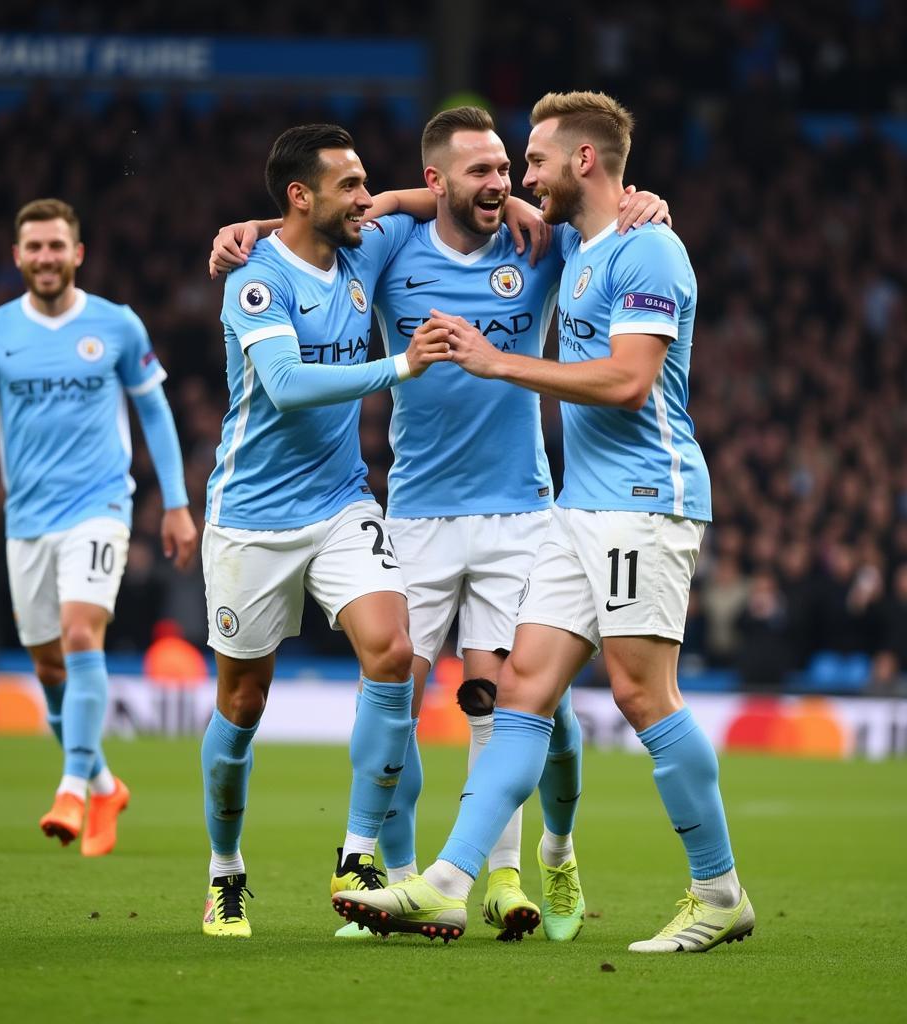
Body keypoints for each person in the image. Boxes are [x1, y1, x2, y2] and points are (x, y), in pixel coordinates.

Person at [210, 108, 669, 942]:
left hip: (524, 508)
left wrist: (647, 203)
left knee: (527, 704)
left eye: (509, 169)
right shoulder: (387, 248)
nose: (504, 184)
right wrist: (254, 227)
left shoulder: (544, 245)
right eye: (483, 172)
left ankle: (544, 859)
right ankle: (391, 873)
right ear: (435, 183)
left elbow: (603, 220)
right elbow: (328, 225)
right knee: (398, 685)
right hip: (416, 510)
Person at [333, 91, 755, 953]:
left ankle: (717, 891)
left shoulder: (650, 250)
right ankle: (450, 882)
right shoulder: (581, 243)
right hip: (575, 507)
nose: (522, 180)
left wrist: (499, 363)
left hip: (644, 500)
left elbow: (631, 382)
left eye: (532, 161)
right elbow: (441, 199)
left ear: (585, 161)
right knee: (520, 693)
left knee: (643, 695)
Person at [199, 124, 453, 939]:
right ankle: (226, 872)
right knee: (243, 702)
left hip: (343, 502)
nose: (365, 199)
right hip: (251, 520)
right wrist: (398, 367)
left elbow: (426, 199)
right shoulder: (257, 283)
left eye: (365, 183)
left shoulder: (362, 248)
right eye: (349, 185)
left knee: (393, 650)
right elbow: (284, 386)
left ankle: (357, 855)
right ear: (300, 197)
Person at [0, 198, 197, 858]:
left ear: (78, 254)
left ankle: (74, 784)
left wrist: (175, 501)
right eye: (35, 247)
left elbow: (156, 413)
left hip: (100, 508)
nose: (46, 257)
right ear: (17, 256)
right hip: (27, 521)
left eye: (57, 246)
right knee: (49, 664)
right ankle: (106, 781)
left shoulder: (116, 325)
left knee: (82, 633)